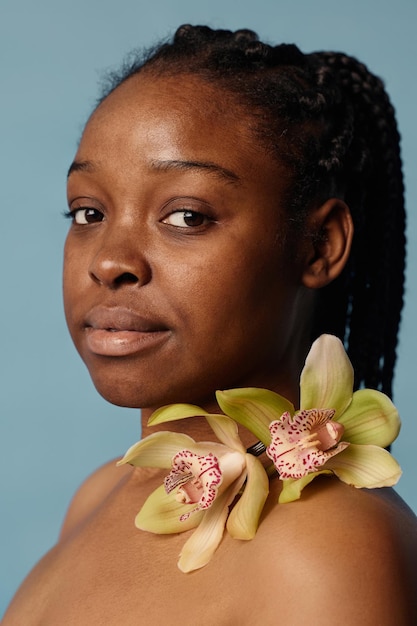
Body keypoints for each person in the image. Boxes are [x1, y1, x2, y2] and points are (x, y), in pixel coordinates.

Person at [3, 24, 416, 625]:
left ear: (319, 246)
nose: (109, 261)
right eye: (88, 211)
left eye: (187, 216)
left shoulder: (327, 548)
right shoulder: (102, 496)